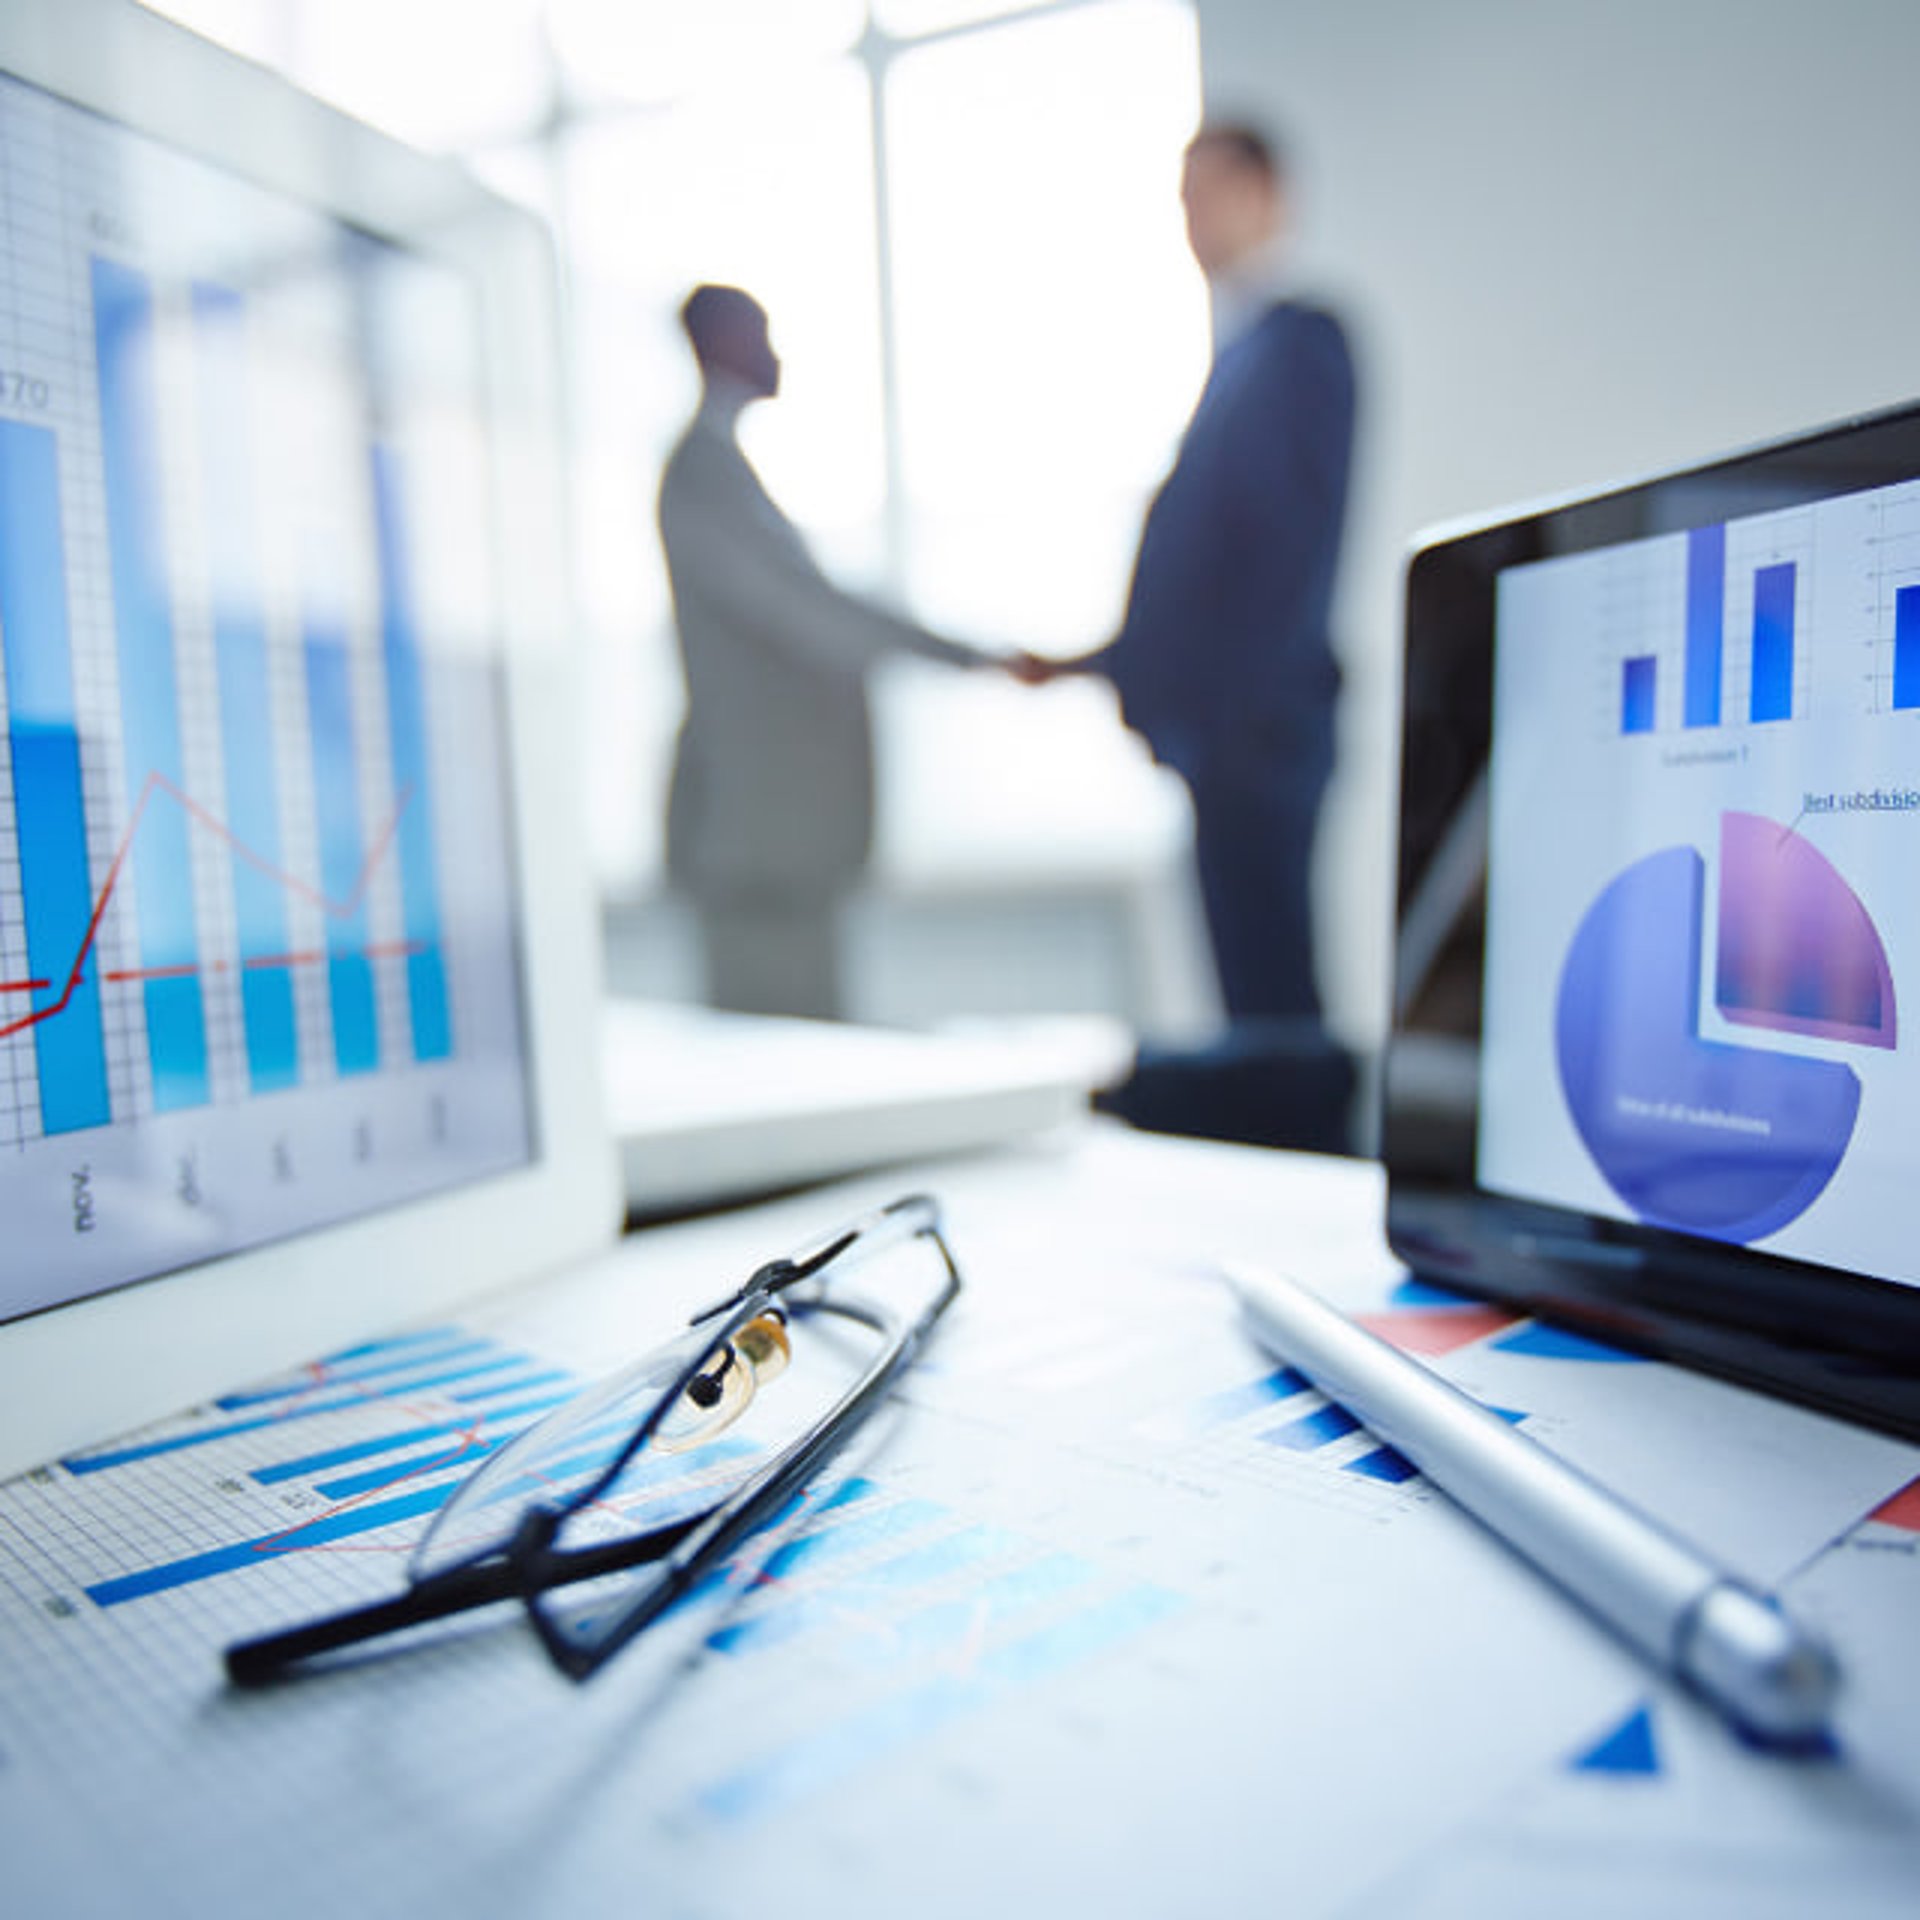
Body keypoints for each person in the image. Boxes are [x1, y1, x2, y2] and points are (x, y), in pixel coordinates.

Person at [658, 284, 1040, 1021]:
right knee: (777, 1054)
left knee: (802, 1041)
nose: (775, 354)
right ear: (718, 344)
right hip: (757, 835)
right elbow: (809, 613)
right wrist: (973, 657)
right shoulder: (702, 474)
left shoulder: (722, 471)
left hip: (780, 840)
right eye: (760, 335)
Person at [1064, 121, 1355, 1026]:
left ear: (1270, 193)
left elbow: (1279, 565)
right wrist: (1108, 663)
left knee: (1274, 1009)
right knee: (1250, 1000)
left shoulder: (1300, 345)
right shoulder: (1238, 360)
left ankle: (1308, 1163)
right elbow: (1204, 572)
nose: (1193, 218)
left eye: (1210, 192)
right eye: (1183, 199)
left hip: (1257, 740)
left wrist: (1220, 719)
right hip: (1230, 744)